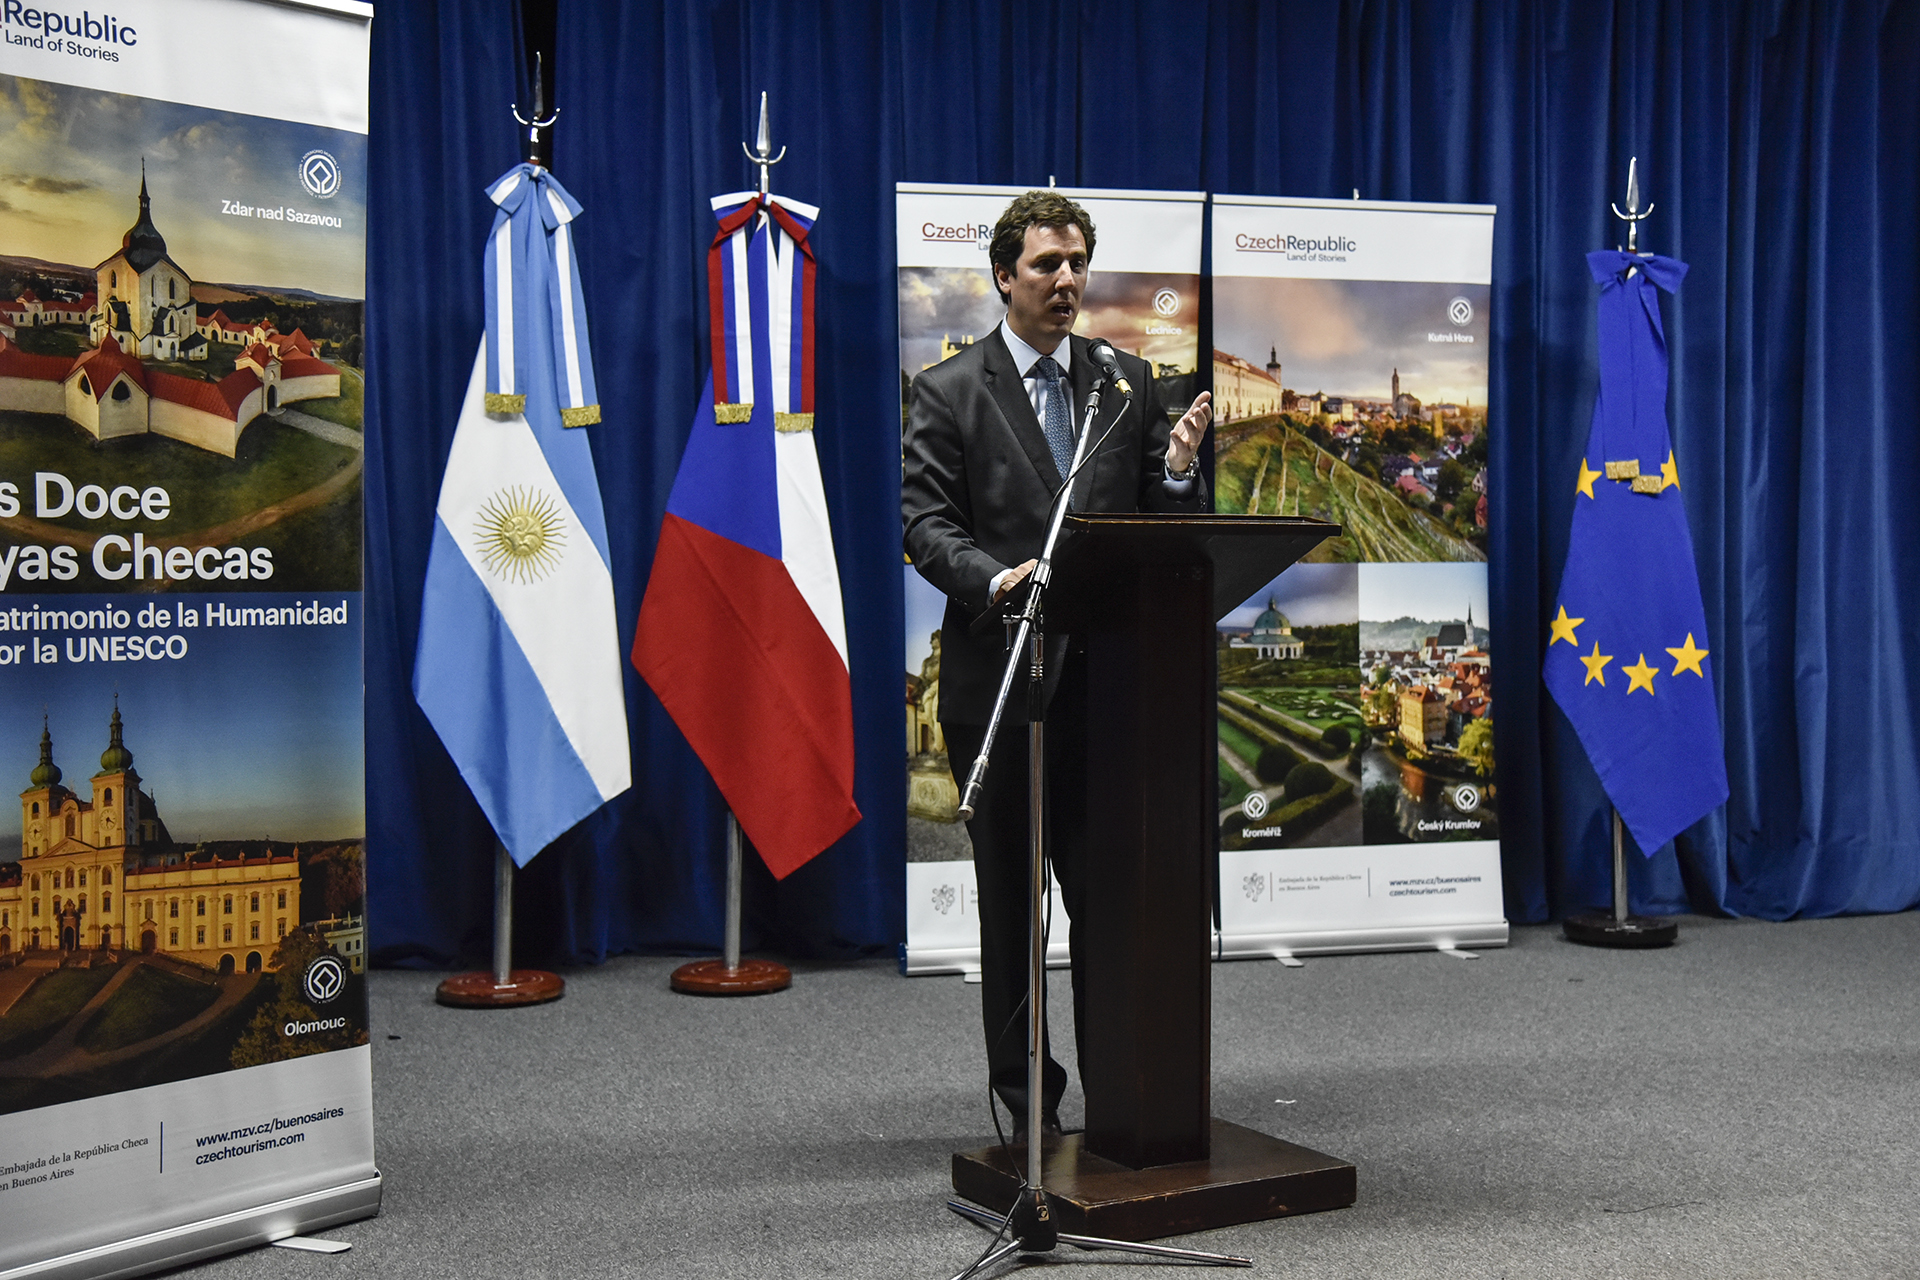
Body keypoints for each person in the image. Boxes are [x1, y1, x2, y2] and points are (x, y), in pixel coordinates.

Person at [902, 190, 1212, 1135]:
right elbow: (923, 525)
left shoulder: (1128, 383)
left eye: (1078, 262)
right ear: (1004, 276)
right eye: (1047, 264)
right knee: (1014, 907)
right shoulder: (947, 390)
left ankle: (1129, 1091)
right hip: (998, 687)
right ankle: (1026, 1101)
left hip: (1110, 692)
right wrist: (995, 580)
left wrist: (1174, 473)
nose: (1068, 279)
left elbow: (1161, 532)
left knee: (1114, 900)